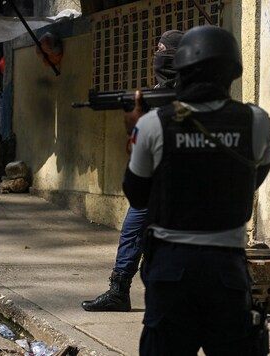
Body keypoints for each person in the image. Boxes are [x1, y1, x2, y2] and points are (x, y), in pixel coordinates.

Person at [123, 25, 270, 355]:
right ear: (232, 71)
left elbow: (137, 195)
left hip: (170, 270)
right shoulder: (256, 121)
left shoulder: (152, 124)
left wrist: (134, 133)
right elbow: (255, 176)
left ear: (180, 70)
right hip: (228, 272)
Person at [81, 30, 184, 312]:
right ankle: (119, 290)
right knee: (134, 230)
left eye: (163, 49)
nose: (157, 53)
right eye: (157, 48)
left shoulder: (190, 93)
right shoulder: (158, 91)